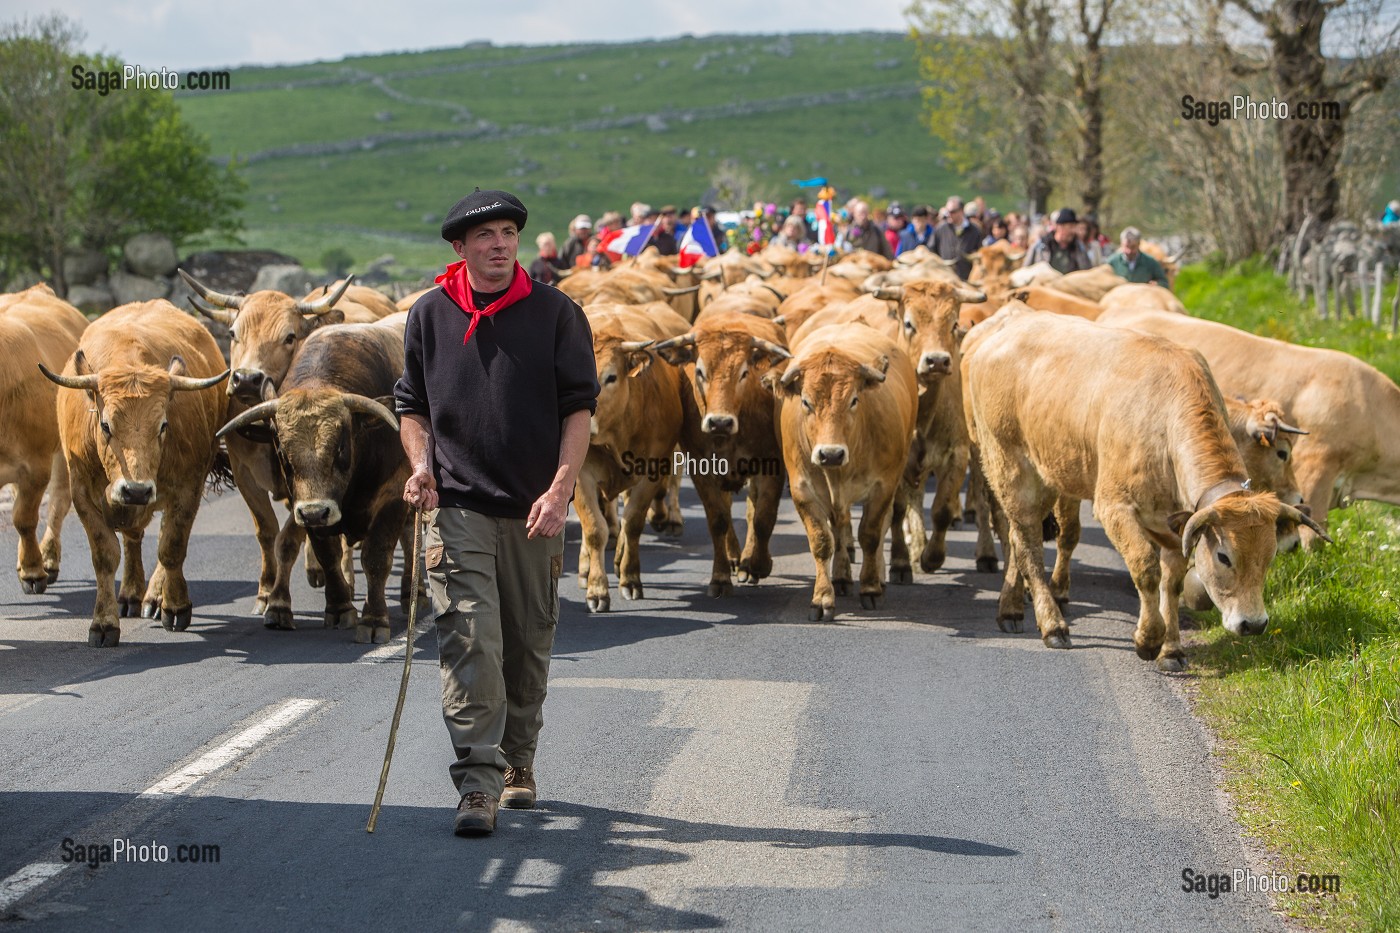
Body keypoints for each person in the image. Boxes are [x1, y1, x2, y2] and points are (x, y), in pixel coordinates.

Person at [396, 187, 600, 838]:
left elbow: (579, 408)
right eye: (485, 235)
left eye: (509, 232)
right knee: (470, 640)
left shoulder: (557, 314)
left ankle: (519, 763)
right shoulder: (428, 316)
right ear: (460, 247)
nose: (500, 243)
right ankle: (478, 783)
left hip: (534, 509)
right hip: (456, 506)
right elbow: (411, 406)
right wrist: (420, 464)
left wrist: (563, 486)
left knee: (526, 644)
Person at [1024, 207, 1092, 274]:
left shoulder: (1079, 248)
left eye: (1074, 227)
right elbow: (1025, 270)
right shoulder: (1041, 246)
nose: (1073, 231)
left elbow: (1087, 272)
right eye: (1070, 227)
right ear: (1060, 227)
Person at [932, 196, 983, 280]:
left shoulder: (975, 231)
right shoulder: (940, 229)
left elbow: (979, 254)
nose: (949, 215)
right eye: (947, 211)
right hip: (945, 279)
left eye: (952, 212)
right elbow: (932, 251)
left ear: (961, 211)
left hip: (967, 279)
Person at [1105, 226, 1170, 287]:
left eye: (1133, 247)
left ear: (1139, 244)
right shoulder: (1112, 262)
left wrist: (1157, 284)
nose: (1129, 251)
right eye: (1126, 247)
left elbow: (1164, 282)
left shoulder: (1150, 262)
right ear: (1121, 244)